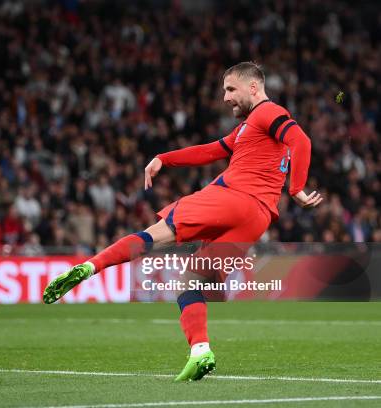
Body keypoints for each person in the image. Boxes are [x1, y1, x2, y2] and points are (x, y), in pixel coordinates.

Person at [43, 62, 323, 381]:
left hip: (231, 198)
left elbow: (302, 141)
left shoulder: (266, 113)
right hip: (258, 218)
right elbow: (210, 151)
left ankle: (90, 267)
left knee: (153, 236)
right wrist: (165, 158)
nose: (225, 97)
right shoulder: (249, 128)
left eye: (231, 89)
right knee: (189, 280)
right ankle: (200, 351)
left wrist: (297, 188)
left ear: (254, 88)